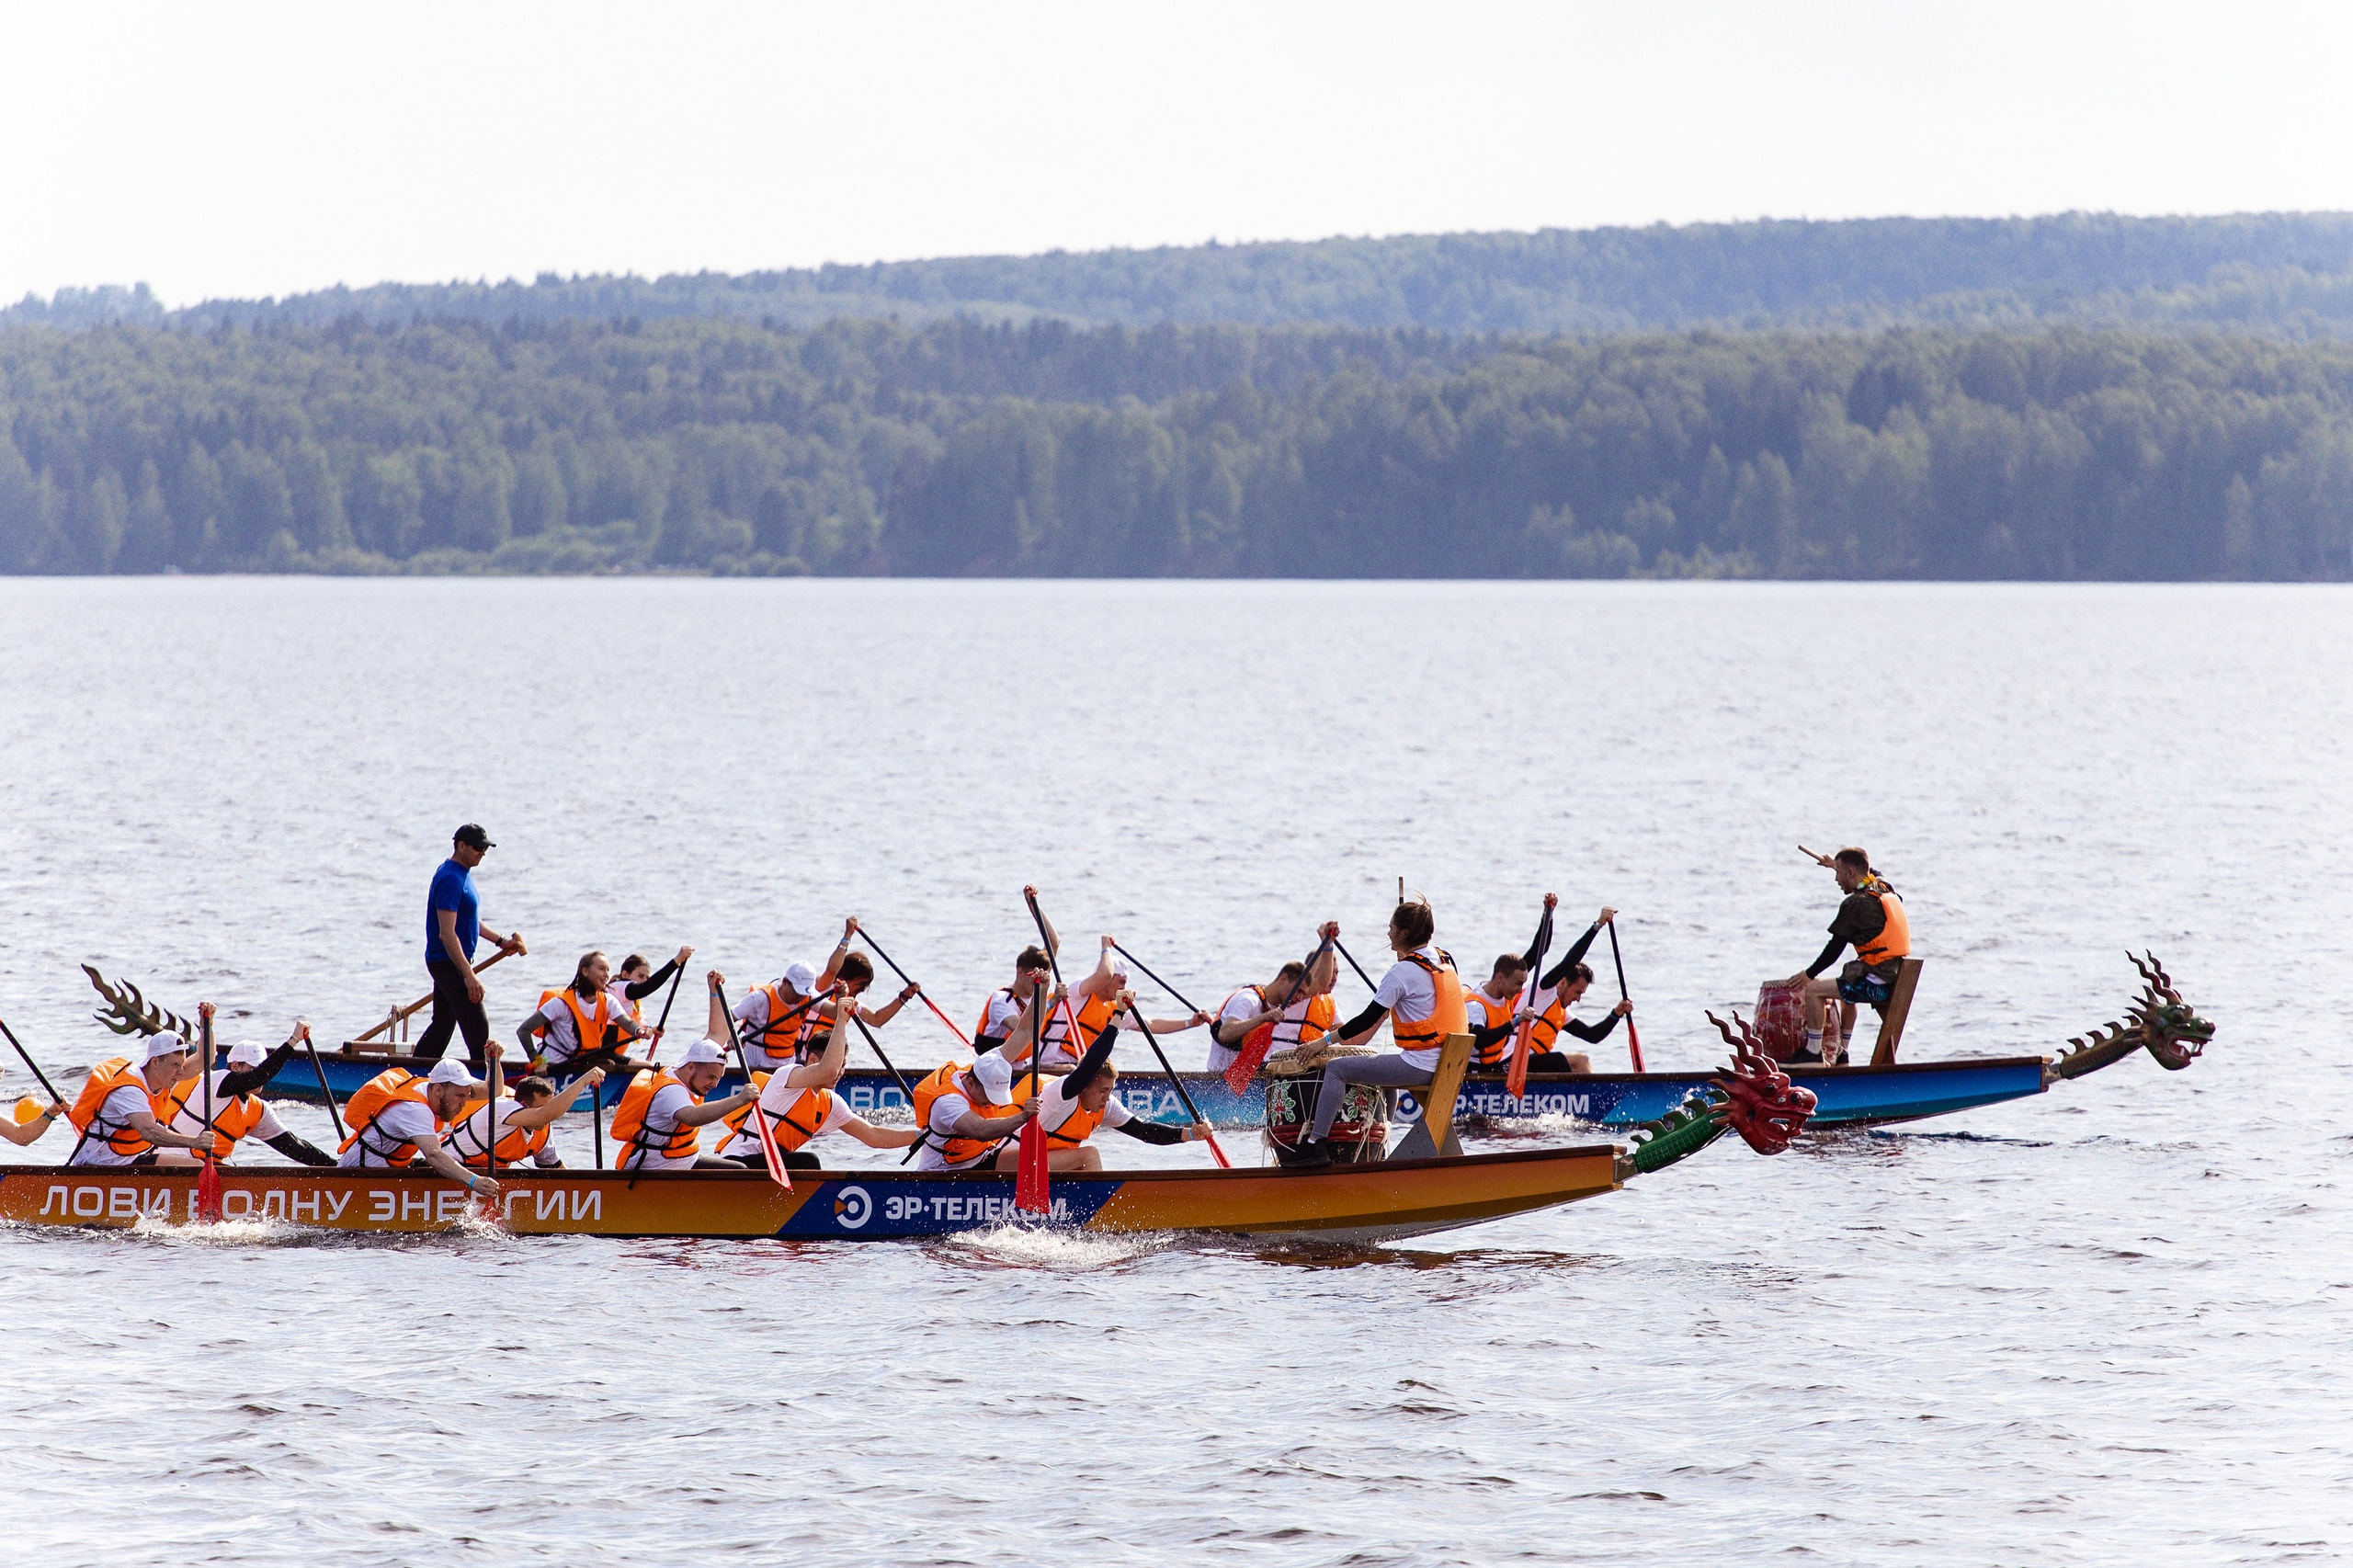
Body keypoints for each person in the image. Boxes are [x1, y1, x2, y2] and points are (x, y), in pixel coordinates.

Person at [1296, 898, 1467, 1165]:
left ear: (1404, 933)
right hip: (1449, 1065)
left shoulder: (1401, 972)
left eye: (1391, 928)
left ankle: (1314, 1145)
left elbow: (1367, 1019)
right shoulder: (1445, 959)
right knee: (1381, 1070)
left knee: (1337, 1069)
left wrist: (1324, 1042)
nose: (1388, 933)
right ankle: (1380, 1145)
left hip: (1421, 1066)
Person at [723, 977, 923, 1171]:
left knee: (805, 1161)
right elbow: (828, 1070)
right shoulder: (790, 1077)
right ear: (811, 1061)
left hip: (772, 1165)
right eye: (837, 1064)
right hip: (739, 1161)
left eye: (843, 1066)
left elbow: (873, 1136)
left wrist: (921, 1135)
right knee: (809, 1161)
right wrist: (840, 1020)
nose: (839, 1072)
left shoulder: (831, 1103)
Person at [1034, 994, 1214, 1170]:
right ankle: (1104, 1201)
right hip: (1015, 1157)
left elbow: (1145, 1131)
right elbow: (1092, 1063)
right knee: (1088, 1155)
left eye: (1110, 1090)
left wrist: (1190, 1134)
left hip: (1044, 1162)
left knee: (1083, 1160)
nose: (1107, 1097)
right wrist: (1118, 1014)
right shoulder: (1062, 1094)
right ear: (1084, 1085)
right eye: (1103, 1090)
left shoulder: (1107, 1106)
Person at [610, 971, 763, 1173]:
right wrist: (739, 1100)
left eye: (718, 1078)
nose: (715, 1084)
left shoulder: (695, 1064)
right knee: (739, 1173)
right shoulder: (671, 1091)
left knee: (739, 1170)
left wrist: (714, 992)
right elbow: (692, 1116)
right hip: (653, 1171)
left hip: (682, 1162)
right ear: (690, 1066)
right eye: (710, 1077)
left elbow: (718, 1033)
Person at [1782, 846, 1911, 1063]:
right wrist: (1835, 863)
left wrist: (1809, 974)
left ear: (1851, 872)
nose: (1836, 879)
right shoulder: (1883, 887)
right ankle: (1842, 1052)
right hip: (1893, 975)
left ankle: (1813, 1053)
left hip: (1878, 984)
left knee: (1814, 990)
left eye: (1838, 873)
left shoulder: (1855, 904)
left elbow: (1835, 948)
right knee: (1846, 983)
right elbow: (1871, 870)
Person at [1462, 907, 1629, 1074]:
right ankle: (1571, 1097)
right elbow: (1557, 957)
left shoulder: (1561, 1013)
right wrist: (1597, 926)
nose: (1578, 999)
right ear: (1563, 982)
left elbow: (1593, 1035)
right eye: (1577, 992)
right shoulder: (1543, 990)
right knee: (1557, 1061)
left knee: (1581, 1061)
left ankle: (1590, 1098)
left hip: (1524, 1065)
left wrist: (1616, 1013)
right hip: (1508, 1062)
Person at [417, 824, 525, 1066]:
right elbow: (447, 934)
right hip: (447, 961)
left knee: (443, 1024)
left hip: (452, 961)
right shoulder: (450, 878)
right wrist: (469, 975)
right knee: (477, 1024)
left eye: (485, 849)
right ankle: (486, 1081)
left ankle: (415, 1072)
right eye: (477, 848)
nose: (482, 853)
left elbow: (469, 919)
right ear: (461, 845)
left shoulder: (462, 874)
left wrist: (501, 941)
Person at [155, 1025, 336, 1167]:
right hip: (173, 1160)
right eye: (253, 1067)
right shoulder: (217, 1082)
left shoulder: (258, 1110)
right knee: (200, 1166)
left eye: (261, 1066)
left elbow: (295, 1147)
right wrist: (293, 1041)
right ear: (235, 1066)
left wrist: (338, 1168)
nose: (261, 1077)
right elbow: (260, 1076)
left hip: (207, 1167)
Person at [335, 1057, 503, 1200]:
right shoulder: (415, 1109)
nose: (464, 1103)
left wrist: (493, 1060)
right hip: (359, 1173)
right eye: (460, 1096)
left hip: (388, 1169)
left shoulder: (433, 1088)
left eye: (466, 1096)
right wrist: (474, 1182)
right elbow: (433, 1156)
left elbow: (492, 1091)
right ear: (438, 1090)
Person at [64, 1031, 221, 1166]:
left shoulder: (164, 1076)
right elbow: (149, 1132)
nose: (180, 1071)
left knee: (195, 1164)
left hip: (129, 1158)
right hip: (98, 1163)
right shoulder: (129, 1090)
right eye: (175, 1064)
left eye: (181, 1064)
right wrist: (193, 1142)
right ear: (155, 1062)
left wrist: (207, 1023)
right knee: (194, 1166)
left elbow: (203, 1060)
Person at [443, 1045, 607, 1172]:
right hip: (447, 1164)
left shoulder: (542, 1130)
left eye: (549, 1105)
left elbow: (554, 1168)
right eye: (540, 1108)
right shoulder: (502, 1108)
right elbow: (544, 1115)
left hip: (484, 1176)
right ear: (522, 1105)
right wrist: (583, 1081)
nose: (547, 1115)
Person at [1207, 924, 1340, 1075]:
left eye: (1303, 993)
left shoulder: (1283, 1000)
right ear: (1283, 979)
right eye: (1298, 991)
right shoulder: (1248, 1000)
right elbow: (1225, 1033)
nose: (1300, 998)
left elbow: (1322, 983)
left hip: (1247, 1076)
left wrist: (1328, 943)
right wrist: (1265, 1017)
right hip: (1219, 1078)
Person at [733, 917, 859, 1070]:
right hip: (755, 1065)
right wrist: (732, 1037)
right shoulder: (760, 998)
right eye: (798, 992)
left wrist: (840, 998)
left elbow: (834, 1014)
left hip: (786, 1067)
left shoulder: (807, 997)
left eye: (804, 993)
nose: (801, 997)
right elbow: (728, 1016)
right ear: (785, 982)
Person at [517, 950, 652, 1074]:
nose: (606, 975)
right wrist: (537, 1061)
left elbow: (626, 1022)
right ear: (585, 971)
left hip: (580, 1063)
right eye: (601, 969)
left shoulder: (608, 1001)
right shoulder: (560, 1004)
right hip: (553, 1065)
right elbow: (523, 1030)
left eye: (608, 970)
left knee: (609, 1064)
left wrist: (639, 1030)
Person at [910, 1048, 1039, 1173]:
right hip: (942, 1171)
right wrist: (1023, 1116)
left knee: (1032, 1159)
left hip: (980, 1158)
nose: (993, 1102)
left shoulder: (991, 1063)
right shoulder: (948, 1102)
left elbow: (1024, 1031)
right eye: (989, 1094)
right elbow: (980, 1130)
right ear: (971, 1082)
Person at [607, 946, 692, 1053]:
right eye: (640, 976)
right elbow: (647, 987)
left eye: (647, 978)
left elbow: (634, 1026)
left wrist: (651, 1030)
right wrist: (677, 961)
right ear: (625, 974)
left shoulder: (633, 1003)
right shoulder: (617, 988)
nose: (644, 981)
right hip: (602, 1054)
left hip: (614, 1055)